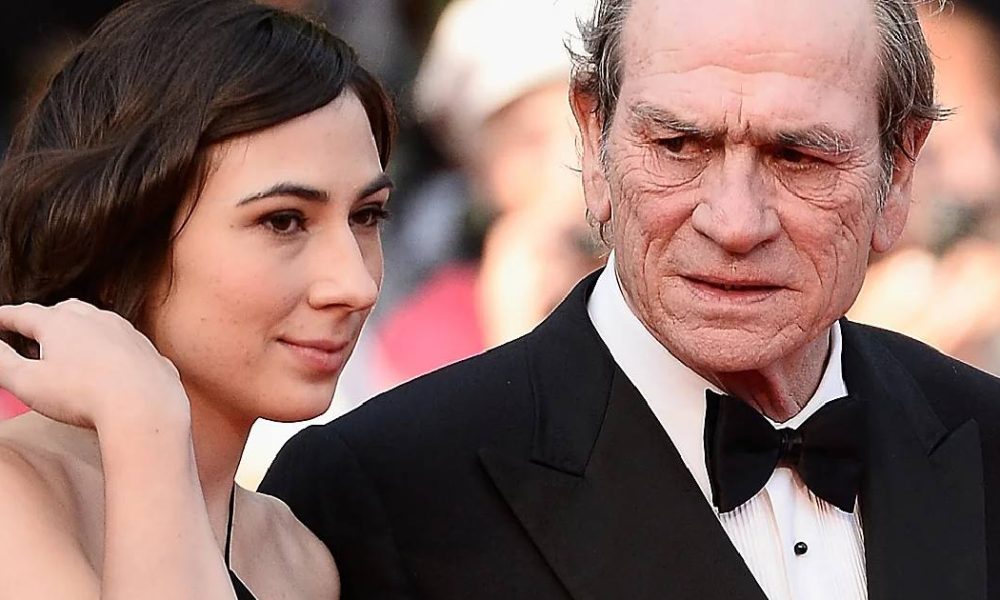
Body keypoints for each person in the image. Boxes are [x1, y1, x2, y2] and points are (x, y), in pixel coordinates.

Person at [261, 0, 1000, 598]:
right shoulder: (382, 497)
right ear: (593, 142)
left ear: (899, 171)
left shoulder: (984, 439)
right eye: (679, 146)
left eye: (797, 156)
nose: (734, 222)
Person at [0, 0, 394, 598]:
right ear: (119, 229)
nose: (355, 285)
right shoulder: (13, 498)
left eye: (366, 216)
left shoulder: (296, 558)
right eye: (283, 221)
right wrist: (146, 426)